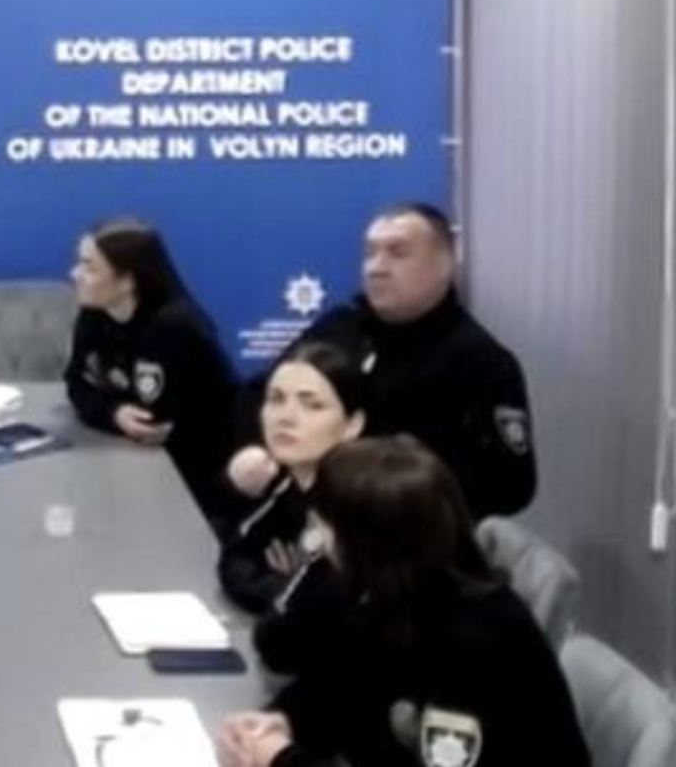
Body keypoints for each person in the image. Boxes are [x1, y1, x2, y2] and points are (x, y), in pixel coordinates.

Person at [215, 437, 589, 766]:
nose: (319, 539)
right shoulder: (399, 593)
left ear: (368, 546)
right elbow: (346, 688)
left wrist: (282, 758)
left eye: (326, 524)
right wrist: (285, 721)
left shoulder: (477, 646)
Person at [227, 203, 537, 518]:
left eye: (397, 253)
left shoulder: (481, 362)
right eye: (370, 253)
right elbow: (259, 392)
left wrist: (393, 492)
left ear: (445, 265)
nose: (377, 267)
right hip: (299, 525)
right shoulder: (338, 327)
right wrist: (252, 448)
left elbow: (511, 485)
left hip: (403, 536)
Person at [63, 217, 239, 522]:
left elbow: (154, 424)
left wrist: (108, 409)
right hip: (133, 458)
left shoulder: (173, 327)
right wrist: (113, 412)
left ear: (127, 281)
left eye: (89, 267)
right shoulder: (93, 314)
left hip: (199, 476)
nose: (74, 273)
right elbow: (75, 380)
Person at [218, 342, 367, 616]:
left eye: (312, 405)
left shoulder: (364, 502)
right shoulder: (288, 483)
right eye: (276, 399)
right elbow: (235, 559)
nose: (286, 417)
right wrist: (286, 587)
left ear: (352, 424)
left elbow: (332, 612)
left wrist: (292, 588)